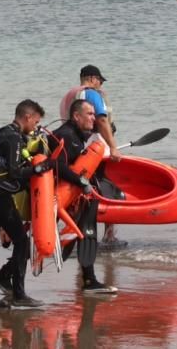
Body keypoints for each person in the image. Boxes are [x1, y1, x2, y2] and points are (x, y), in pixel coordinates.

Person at [0, 100, 47, 309]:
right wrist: (38, 170)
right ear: (27, 117)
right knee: (22, 242)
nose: (35, 126)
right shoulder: (14, 137)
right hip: (0, 199)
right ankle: (19, 294)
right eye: (36, 121)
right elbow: (15, 172)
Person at [49, 100, 118, 295]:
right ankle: (7, 274)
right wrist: (82, 182)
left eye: (94, 114)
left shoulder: (76, 134)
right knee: (37, 239)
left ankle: (90, 280)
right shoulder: (67, 136)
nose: (93, 118)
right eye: (89, 114)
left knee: (86, 232)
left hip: (71, 196)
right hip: (58, 197)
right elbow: (57, 165)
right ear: (76, 116)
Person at [59, 65, 125, 246]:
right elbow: (102, 121)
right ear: (92, 78)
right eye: (100, 80)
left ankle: (76, 233)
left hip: (73, 147)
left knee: (81, 192)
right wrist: (113, 147)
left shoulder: (70, 95)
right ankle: (109, 237)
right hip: (92, 149)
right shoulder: (92, 94)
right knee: (108, 188)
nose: (101, 84)